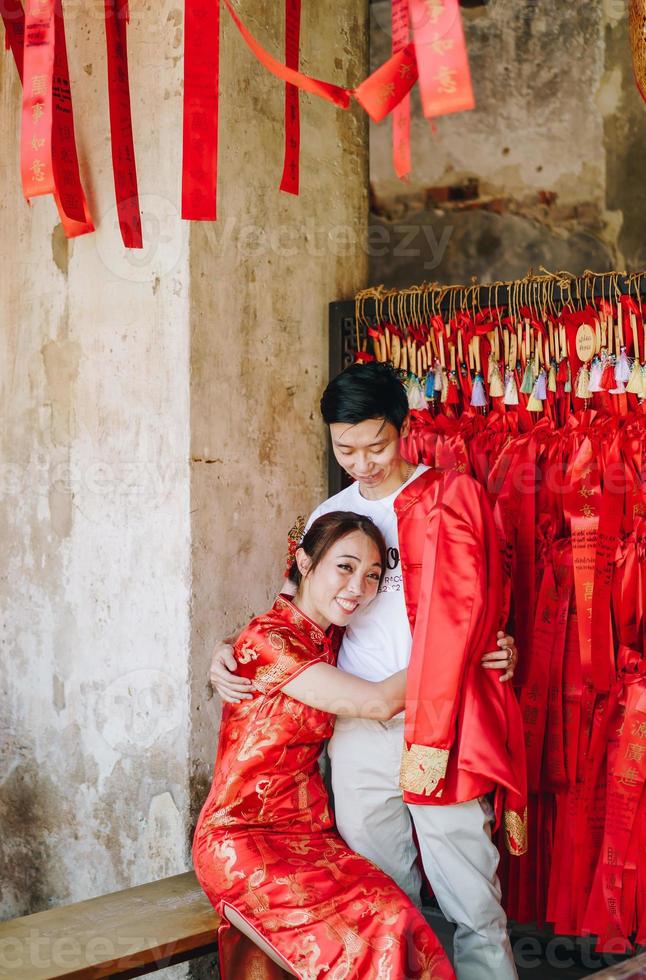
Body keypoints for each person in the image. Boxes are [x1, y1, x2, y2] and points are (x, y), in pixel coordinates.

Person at [210, 362, 526, 980]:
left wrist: (491, 651)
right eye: (344, 447)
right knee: (385, 898)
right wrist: (227, 649)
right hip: (357, 728)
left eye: (376, 445)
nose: (361, 462)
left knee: (471, 895)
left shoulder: (451, 497)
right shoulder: (330, 510)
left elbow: (477, 606)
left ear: (405, 428)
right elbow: (291, 612)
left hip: (444, 723)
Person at [193, 511, 455, 980]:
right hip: (241, 835)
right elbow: (376, 703)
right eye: (345, 567)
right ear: (304, 561)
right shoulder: (270, 638)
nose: (358, 587)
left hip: (308, 835)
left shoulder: (327, 635)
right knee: (365, 934)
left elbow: (259, 629)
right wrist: (459, 649)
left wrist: (497, 643)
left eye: (373, 575)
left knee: (393, 915)